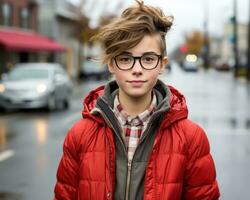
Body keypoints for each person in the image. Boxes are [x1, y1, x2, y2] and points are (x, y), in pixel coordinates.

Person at [54, 1, 220, 199]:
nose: (137, 68)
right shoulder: (79, 135)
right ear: (110, 64)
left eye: (148, 59)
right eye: (125, 59)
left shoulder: (191, 139)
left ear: (162, 64)